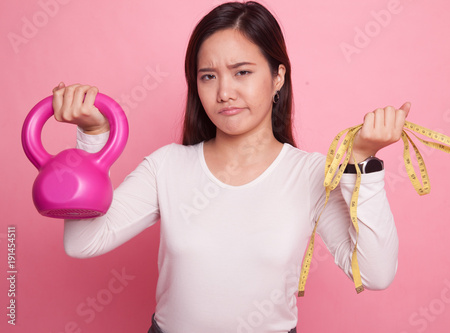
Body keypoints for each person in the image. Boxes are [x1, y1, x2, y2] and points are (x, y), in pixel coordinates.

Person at [52, 2, 407, 332]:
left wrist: (362, 164)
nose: (224, 92)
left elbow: (374, 274)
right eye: (208, 76)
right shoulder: (168, 166)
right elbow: (83, 242)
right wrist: (92, 139)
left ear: (278, 77)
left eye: (242, 72)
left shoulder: (311, 174)